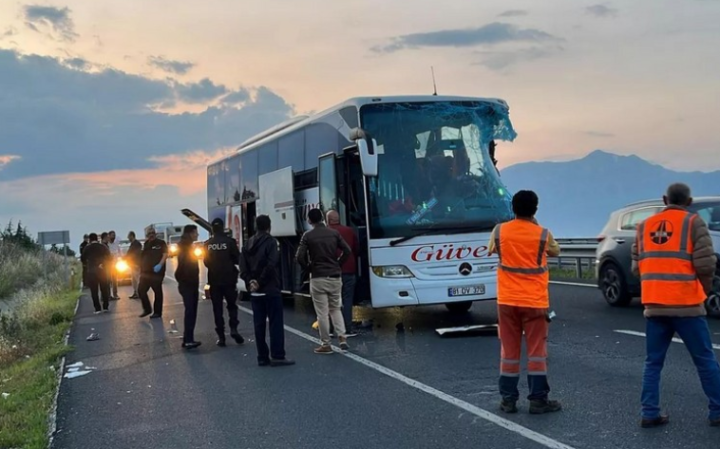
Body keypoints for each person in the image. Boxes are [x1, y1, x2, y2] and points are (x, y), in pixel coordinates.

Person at [632, 182, 720, 428]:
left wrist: (654, 286)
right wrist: (702, 291)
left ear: (664, 199)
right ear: (689, 202)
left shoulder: (643, 226)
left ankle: (649, 412)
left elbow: (636, 267)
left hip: (654, 306)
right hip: (687, 305)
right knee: (704, 360)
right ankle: (717, 411)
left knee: (653, 363)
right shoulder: (694, 223)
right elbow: (705, 265)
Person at [488, 190, 562, 415]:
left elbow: (492, 249)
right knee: (537, 353)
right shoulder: (542, 234)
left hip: (507, 301)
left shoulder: (499, 231)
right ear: (535, 209)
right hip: (534, 301)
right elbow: (556, 251)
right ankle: (538, 400)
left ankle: (508, 400)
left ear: (513, 208)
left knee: (509, 352)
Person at [240, 215, 294, 366]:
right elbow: (271, 264)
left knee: (259, 325)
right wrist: (260, 281)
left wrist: (250, 281)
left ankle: (262, 357)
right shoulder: (271, 242)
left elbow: (242, 267)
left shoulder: (247, 244)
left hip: (255, 292)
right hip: (270, 289)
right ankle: (277, 355)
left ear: (256, 226)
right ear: (269, 226)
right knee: (275, 323)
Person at [296, 208, 352, 354]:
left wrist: (308, 268)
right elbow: (347, 250)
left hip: (318, 276)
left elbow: (299, 256)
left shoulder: (307, 236)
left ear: (309, 220)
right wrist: (338, 264)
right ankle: (342, 338)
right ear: (322, 218)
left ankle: (326, 344)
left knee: (322, 312)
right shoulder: (334, 233)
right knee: (335, 308)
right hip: (334, 275)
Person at [203, 218, 244, 347]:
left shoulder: (207, 244)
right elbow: (237, 259)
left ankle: (221, 337)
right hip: (229, 279)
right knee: (232, 306)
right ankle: (233, 328)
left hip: (214, 280)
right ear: (222, 228)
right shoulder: (230, 242)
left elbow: (206, 262)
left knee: (217, 309)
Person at [326, 210, 361, 336]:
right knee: (347, 299)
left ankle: (330, 329)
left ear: (328, 220)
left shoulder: (325, 233)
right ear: (338, 219)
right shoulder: (349, 231)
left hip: (330, 271)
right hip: (348, 270)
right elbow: (356, 249)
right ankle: (347, 328)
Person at [175, 225, 202, 349]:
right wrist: (188, 280)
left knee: (190, 310)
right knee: (191, 311)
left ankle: (187, 338)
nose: (197, 235)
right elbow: (185, 267)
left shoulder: (185, 246)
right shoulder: (186, 248)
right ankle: (189, 340)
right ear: (191, 233)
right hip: (188, 283)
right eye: (196, 232)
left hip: (187, 283)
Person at [138, 226, 168, 319]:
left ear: (155, 234)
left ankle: (157, 312)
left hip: (156, 272)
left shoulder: (161, 243)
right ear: (147, 235)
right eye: (149, 234)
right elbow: (143, 257)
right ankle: (147, 309)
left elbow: (165, 254)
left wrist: (160, 265)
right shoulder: (146, 244)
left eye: (152, 233)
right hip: (145, 272)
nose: (151, 235)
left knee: (157, 291)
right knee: (141, 290)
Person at [80, 233, 112, 314]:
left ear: (90, 239)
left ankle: (97, 308)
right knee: (104, 289)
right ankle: (105, 307)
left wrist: (87, 265)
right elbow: (109, 257)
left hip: (91, 272)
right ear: (97, 239)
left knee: (94, 291)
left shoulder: (87, 248)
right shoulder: (102, 247)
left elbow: (83, 258)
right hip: (102, 270)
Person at [126, 231, 142, 299]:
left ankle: (140, 293)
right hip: (132, 264)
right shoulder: (132, 244)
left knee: (137, 279)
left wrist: (137, 263)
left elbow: (137, 254)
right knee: (134, 280)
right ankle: (135, 292)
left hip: (136, 264)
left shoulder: (137, 244)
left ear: (132, 236)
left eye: (129, 236)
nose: (128, 238)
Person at [107, 230, 122, 300]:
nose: (114, 236)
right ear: (109, 236)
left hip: (115, 265)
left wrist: (121, 258)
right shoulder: (107, 244)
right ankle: (108, 295)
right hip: (108, 265)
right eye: (112, 235)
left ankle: (115, 294)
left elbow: (120, 253)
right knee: (108, 280)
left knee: (115, 280)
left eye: (114, 235)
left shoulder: (116, 244)